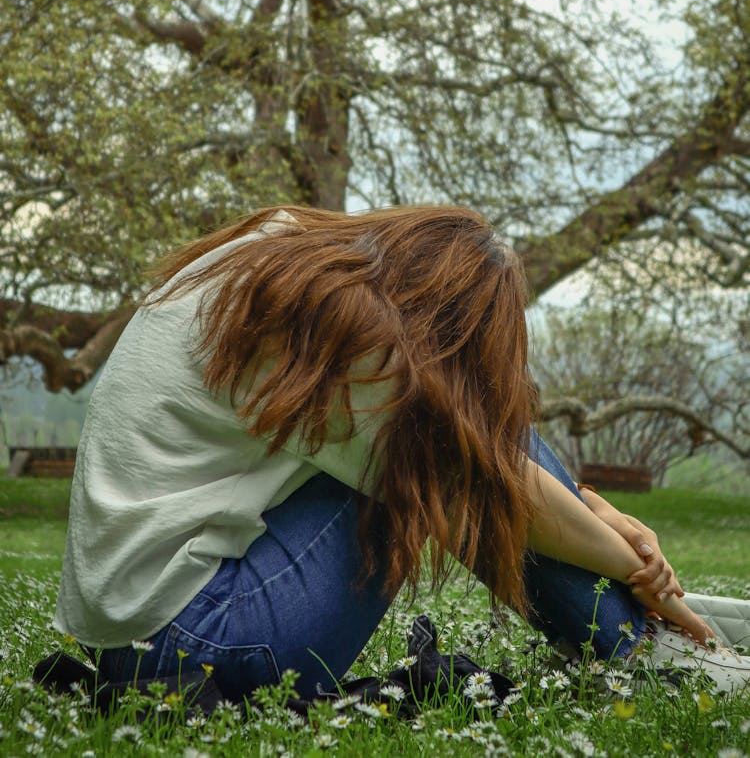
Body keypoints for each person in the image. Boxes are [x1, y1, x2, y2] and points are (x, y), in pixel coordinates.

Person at [54, 205, 750, 700]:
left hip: (148, 632)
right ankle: (641, 648)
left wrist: (611, 522)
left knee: (458, 434)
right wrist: (639, 570)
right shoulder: (327, 331)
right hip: (194, 646)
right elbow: (477, 484)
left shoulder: (282, 258)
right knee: (443, 450)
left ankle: (638, 633)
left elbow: (486, 454)